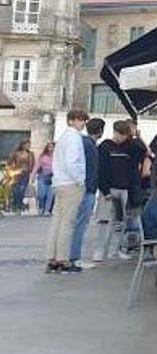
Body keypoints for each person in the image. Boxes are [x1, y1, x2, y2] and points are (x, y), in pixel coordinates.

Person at [44, 112, 89, 273]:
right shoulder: (74, 138)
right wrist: (80, 180)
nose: (83, 122)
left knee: (57, 221)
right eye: (80, 119)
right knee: (67, 222)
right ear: (71, 121)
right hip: (71, 184)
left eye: (84, 120)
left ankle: (52, 257)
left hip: (60, 183)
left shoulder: (62, 138)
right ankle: (63, 259)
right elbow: (72, 162)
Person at [93, 121, 141, 262]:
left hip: (124, 189)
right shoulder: (105, 147)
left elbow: (141, 151)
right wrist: (104, 189)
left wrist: (136, 137)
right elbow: (101, 169)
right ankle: (99, 250)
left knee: (120, 222)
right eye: (121, 135)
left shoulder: (129, 147)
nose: (123, 138)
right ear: (115, 132)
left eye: (126, 135)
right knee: (104, 220)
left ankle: (114, 250)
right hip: (108, 189)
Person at [67, 118, 104, 269]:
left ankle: (72, 256)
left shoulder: (83, 143)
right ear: (100, 131)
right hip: (86, 189)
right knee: (80, 224)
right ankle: (75, 257)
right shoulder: (90, 146)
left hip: (82, 188)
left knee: (77, 223)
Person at [6, 140, 33, 214]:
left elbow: (32, 164)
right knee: (15, 191)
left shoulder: (30, 154)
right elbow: (9, 163)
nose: (28, 146)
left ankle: (19, 205)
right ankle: (17, 205)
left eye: (29, 144)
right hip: (16, 174)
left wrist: (30, 171)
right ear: (22, 145)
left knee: (22, 190)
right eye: (27, 144)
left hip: (25, 174)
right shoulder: (15, 153)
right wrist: (12, 171)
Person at [35, 142, 54, 216]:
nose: (51, 149)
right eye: (49, 147)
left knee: (50, 194)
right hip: (43, 176)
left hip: (53, 177)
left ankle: (47, 210)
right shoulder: (43, 156)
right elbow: (36, 166)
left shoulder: (58, 156)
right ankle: (41, 207)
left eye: (52, 147)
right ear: (47, 148)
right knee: (41, 194)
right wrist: (33, 176)